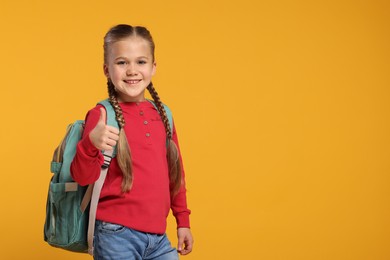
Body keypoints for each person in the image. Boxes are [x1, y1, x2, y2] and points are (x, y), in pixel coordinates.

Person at [70, 24, 193, 260]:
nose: (132, 70)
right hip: (115, 235)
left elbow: (176, 174)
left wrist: (182, 221)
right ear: (107, 69)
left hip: (158, 238)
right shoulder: (101, 115)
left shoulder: (163, 113)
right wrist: (90, 145)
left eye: (141, 62)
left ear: (153, 67)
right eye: (122, 62)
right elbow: (82, 177)